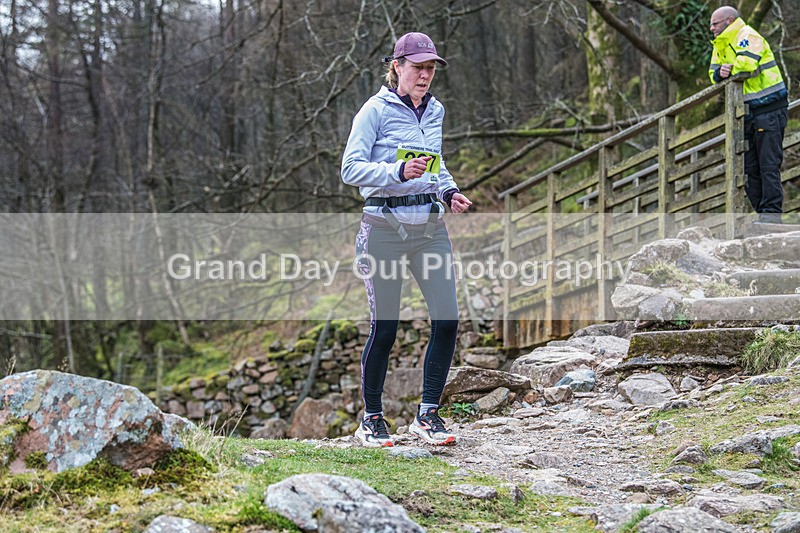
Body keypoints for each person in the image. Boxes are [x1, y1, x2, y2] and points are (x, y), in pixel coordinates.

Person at [341, 31, 472, 448]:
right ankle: (372, 420)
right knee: (387, 327)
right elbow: (350, 169)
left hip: (430, 229)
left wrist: (447, 191)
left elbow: (434, 163)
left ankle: (428, 415)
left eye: (431, 68)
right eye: (418, 67)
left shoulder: (435, 111)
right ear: (396, 66)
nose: (425, 75)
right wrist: (396, 174)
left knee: (447, 318)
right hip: (383, 232)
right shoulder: (373, 112)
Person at [709, 6, 788, 224]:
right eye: (711, 24)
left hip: (769, 108)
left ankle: (771, 216)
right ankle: (762, 214)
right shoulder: (720, 45)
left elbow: (747, 63)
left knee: (768, 164)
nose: (711, 28)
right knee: (749, 167)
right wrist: (720, 72)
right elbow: (713, 73)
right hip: (746, 113)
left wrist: (729, 69)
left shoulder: (748, 35)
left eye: (715, 23)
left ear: (729, 20)